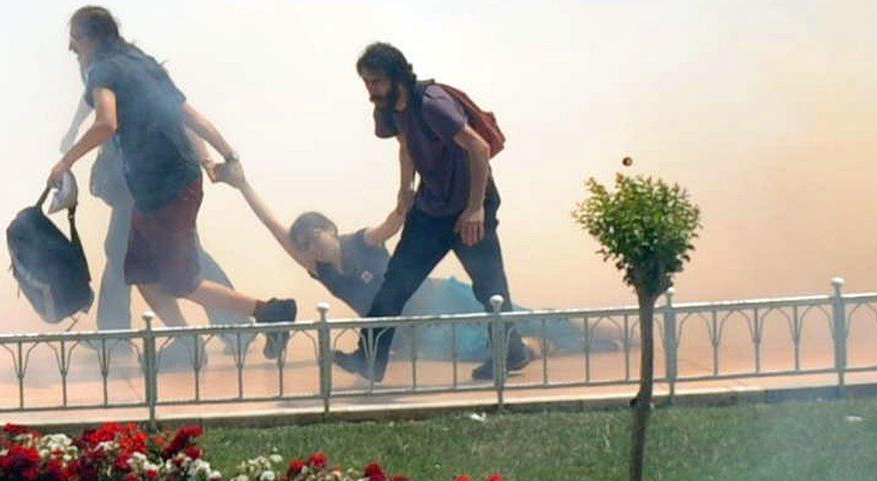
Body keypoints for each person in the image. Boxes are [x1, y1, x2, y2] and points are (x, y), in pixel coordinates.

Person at [47, 6, 295, 360]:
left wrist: (65, 161)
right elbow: (186, 113)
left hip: (167, 188)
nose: (72, 49)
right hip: (161, 185)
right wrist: (227, 153)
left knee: (182, 281)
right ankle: (188, 341)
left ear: (90, 38)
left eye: (74, 40)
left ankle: (271, 312)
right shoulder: (140, 62)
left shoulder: (104, 69)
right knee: (140, 271)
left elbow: (106, 123)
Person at [332, 42, 532, 382]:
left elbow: (478, 148)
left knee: (490, 287)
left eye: (376, 81)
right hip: (431, 209)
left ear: (396, 77)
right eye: (366, 82)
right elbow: (406, 144)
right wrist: (405, 188)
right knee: (395, 282)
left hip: (469, 207)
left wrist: (474, 209)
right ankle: (369, 359)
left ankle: (510, 354)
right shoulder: (393, 109)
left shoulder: (432, 103)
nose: (371, 90)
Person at [224, 178, 593, 361]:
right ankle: (534, 351)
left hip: (444, 296)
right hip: (416, 333)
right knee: (480, 347)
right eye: (303, 242)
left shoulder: (362, 241)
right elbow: (274, 227)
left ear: (330, 229)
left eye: (314, 234)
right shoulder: (322, 271)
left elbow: (389, 226)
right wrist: (241, 184)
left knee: (516, 317)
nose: (311, 244)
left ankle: (596, 334)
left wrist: (403, 207)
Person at [60, 86, 252, 358]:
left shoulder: (140, 82)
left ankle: (119, 336)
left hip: (160, 185)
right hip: (137, 184)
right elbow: (89, 99)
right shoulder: (113, 79)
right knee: (121, 251)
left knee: (160, 253)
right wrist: (73, 128)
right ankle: (234, 327)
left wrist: (207, 160)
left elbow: (187, 123)